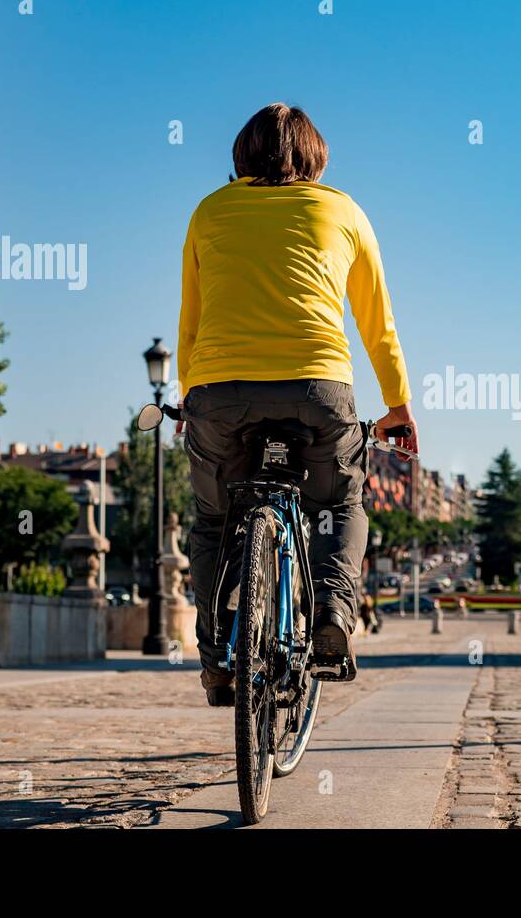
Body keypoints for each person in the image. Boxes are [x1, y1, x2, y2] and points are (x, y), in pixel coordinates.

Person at [178, 104, 418, 706]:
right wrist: (397, 406)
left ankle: (215, 660)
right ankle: (334, 612)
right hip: (319, 390)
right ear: (315, 157)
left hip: (220, 391)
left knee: (213, 521)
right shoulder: (344, 211)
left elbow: (192, 320)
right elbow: (377, 322)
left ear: (240, 157)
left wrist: (190, 397)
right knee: (339, 501)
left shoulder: (209, 211)